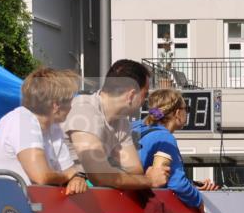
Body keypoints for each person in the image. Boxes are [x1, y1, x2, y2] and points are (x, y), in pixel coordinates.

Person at [63, 59, 168, 190]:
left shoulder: (121, 121)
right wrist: (149, 181)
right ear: (131, 95)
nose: (145, 101)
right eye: (145, 94)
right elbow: (100, 177)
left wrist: (113, 175)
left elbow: (135, 169)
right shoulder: (84, 109)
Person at [0, 67, 87, 195]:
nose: (71, 106)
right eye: (69, 101)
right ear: (56, 106)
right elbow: (41, 176)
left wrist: (76, 178)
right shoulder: (22, 119)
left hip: (19, 205)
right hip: (2, 206)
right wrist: (69, 176)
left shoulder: (53, 128)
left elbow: (69, 171)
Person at [131, 89, 218, 210]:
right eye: (186, 109)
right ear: (177, 113)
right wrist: (199, 202)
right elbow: (177, 184)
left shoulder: (135, 127)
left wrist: (193, 185)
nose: (187, 113)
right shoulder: (164, 138)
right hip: (141, 206)